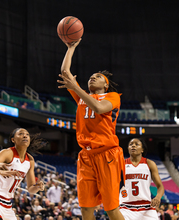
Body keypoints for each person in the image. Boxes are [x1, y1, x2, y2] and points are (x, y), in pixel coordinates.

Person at [58, 39, 125, 220]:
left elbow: (99, 108)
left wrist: (76, 89)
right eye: (90, 77)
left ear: (106, 84)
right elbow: (65, 72)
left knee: (111, 209)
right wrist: (71, 48)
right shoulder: (83, 97)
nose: (92, 77)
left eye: (97, 77)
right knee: (86, 208)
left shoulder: (112, 96)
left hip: (107, 155)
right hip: (86, 156)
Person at [0, 128, 46, 220]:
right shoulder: (8, 153)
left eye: (27, 134)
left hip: (6, 204)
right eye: (20, 134)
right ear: (13, 140)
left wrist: (38, 187)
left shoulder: (30, 160)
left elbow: (31, 189)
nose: (25, 135)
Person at [119, 138, 164, 220]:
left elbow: (160, 186)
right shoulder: (121, 164)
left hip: (147, 207)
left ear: (142, 149)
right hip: (125, 207)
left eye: (137, 144)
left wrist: (158, 197)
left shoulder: (150, 164)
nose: (133, 145)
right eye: (131, 144)